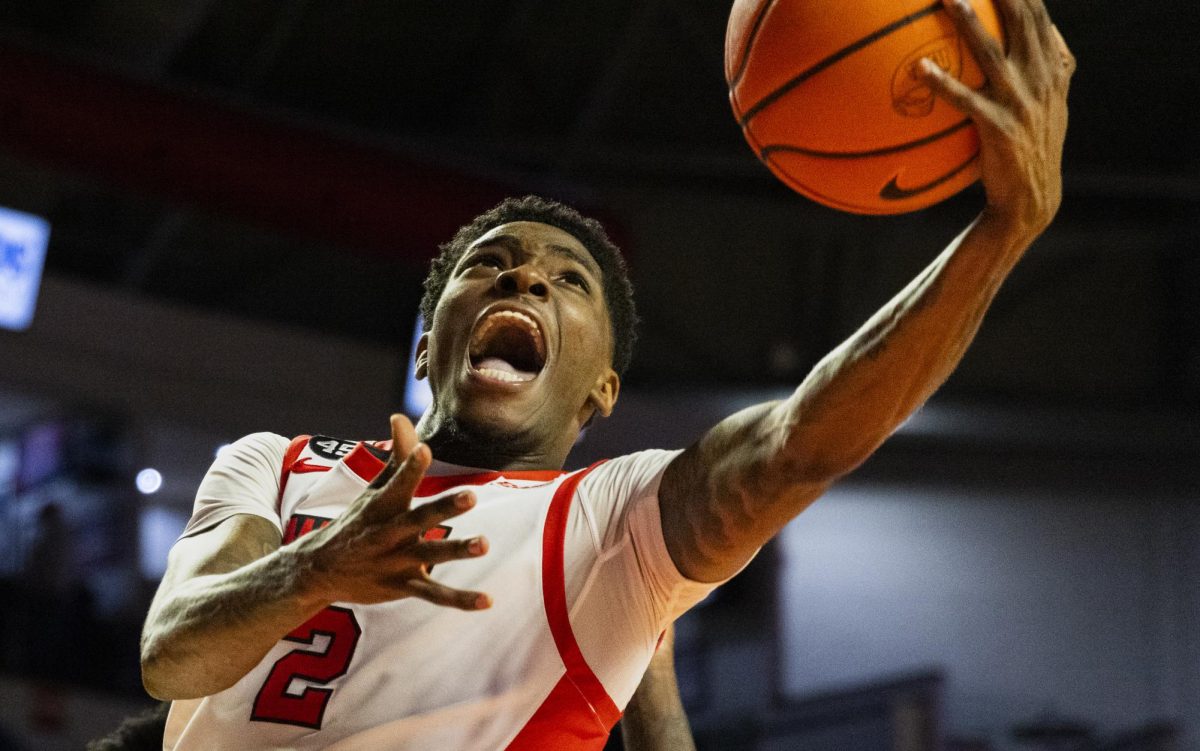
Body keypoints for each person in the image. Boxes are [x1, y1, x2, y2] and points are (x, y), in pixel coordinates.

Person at [140, 0, 1074, 748]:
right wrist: (318, 567)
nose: (523, 275)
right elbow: (173, 656)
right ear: (428, 346)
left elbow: (796, 445)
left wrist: (1001, 234)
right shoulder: (276, 463)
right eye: (487, 263)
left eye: (567, 279)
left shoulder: (612, 522)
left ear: (601, 390)